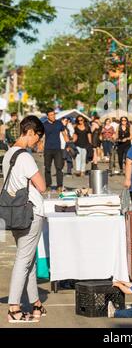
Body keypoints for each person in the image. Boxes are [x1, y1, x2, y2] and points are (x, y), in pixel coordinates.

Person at [3, 115, 47, 323]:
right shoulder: (25, 157)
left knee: (27, 259)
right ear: (30, 132)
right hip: (30, 212)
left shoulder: (8, 154)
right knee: (24, 260)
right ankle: (14, 307)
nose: (37, 142)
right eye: (37, 138)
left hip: (14, 212)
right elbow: (42, 186)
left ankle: (36, 303)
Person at [43, 108, 68, 193]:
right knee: (47, 168)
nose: (53, 116)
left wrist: (68, 144)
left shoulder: (59, 123)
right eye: (51, 115)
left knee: (59, 168)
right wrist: (39, 147)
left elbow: (64, 133)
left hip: (58, 149)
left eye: (54, 114)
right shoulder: (44, 125)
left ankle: (59, 186)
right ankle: (48, 186)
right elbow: (41, 137)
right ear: (47, 116)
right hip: (47, 149)